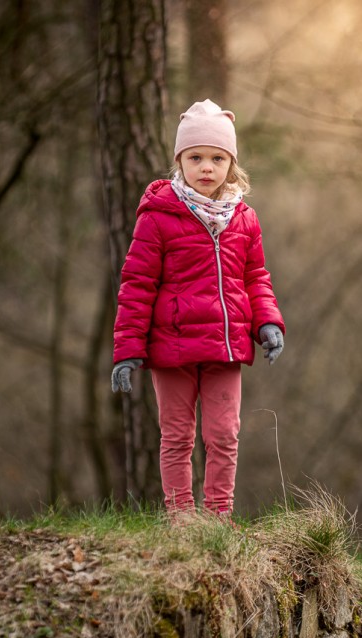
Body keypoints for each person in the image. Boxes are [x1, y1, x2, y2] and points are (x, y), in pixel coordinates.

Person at [110, 99, 285, 518]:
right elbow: (136, 286)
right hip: (172, 350)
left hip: (225, 348)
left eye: (217, 158)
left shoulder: (244, 219)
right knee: (177, 436)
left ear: (231, 164)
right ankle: (181, 518)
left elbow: (256, 278)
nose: (207, 167)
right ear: (180, 161)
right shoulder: (157, 217)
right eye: (196, 157)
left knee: (224, 434)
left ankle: (218, 517)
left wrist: (267, 323)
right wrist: (127, 350)